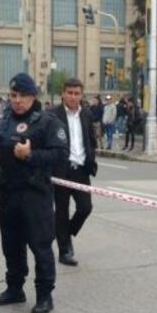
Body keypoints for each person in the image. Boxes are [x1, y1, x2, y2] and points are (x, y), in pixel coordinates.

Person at [0, 72, 67, 313]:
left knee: (40, 246)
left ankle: (45, 295)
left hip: (35, 194)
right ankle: (15, 289)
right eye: (13, 95)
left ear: (33, 96)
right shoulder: (4, 120)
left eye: (22, 95)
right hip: (8, 193)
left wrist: (31, 155)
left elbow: (60, 155)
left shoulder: (47, 122)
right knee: (11, 245)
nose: (17, 100)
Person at [48, 77, 97, 267]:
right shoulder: (52, 115)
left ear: (81, 95)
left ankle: (65, 233)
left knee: (85, 208)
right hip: (61, 170)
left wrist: (91, 158)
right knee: (61, 210)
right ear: (63, 94)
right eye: (69, 93)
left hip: (81, 169)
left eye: (77, 93)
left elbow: (90, 139)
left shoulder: (86, 114)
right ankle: (65, 250)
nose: (73, 97)